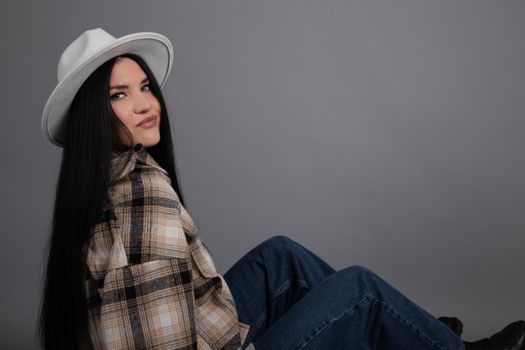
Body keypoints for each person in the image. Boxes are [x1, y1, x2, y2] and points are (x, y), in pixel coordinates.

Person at [38, 28, 525, 350]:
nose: (146, 104)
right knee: (361, 291)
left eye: (144, 87)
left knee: (281, 256)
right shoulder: (143, 198)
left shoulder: (106, 178)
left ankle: (421, 335)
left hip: (200, 328)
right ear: (91, 118)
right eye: (119, 96)